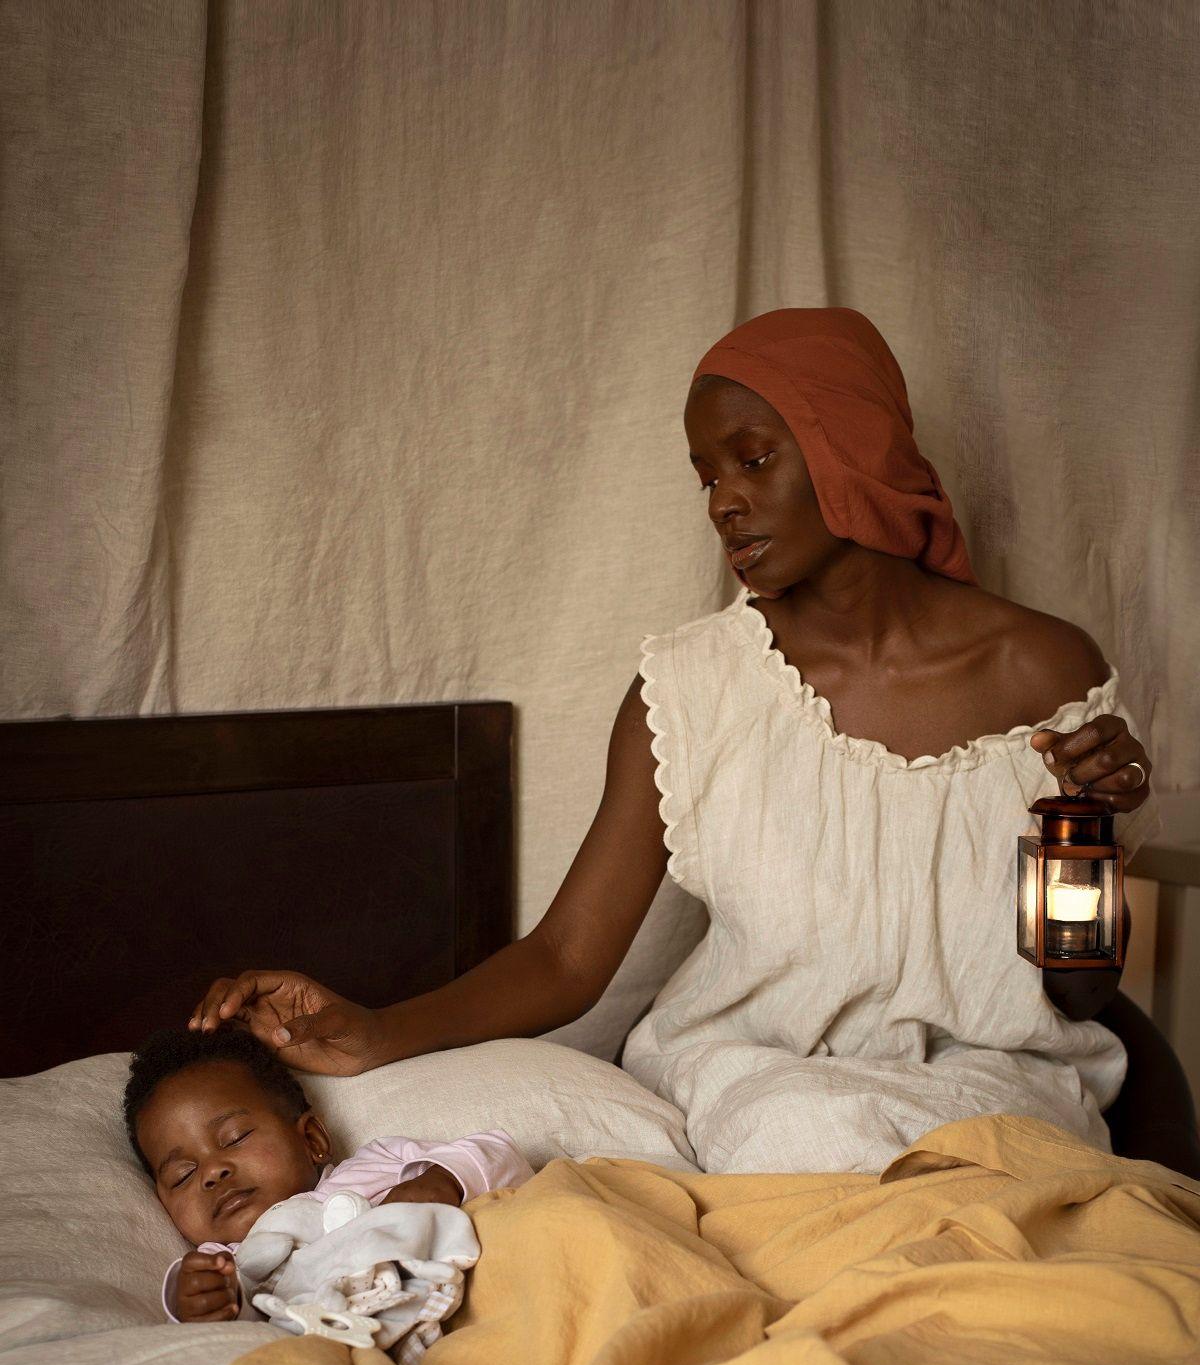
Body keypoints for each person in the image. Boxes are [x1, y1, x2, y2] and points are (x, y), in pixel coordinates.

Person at [189, 307, 1169, 1174]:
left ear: (852, 444)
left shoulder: (1042, 671)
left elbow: (1078, 992)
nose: (722, 502)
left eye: (753, 458)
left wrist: (1079, 831)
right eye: (706, 477)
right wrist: (370, 1033)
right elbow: (569, 957)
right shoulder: (694, 689)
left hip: (988, 1093)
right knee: (806, 1134)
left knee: (1007, 1163)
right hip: (765, 1090)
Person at [124, 1023, 534, 1322]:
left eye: (234, 1137)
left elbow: (500, 1156)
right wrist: (201, 1299)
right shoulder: (228, 1263)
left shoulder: (376, 1167)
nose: (212, 1172)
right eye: (182, 1174)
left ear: (313, 1141)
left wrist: (443, 1180)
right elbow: (231, 1317)